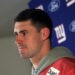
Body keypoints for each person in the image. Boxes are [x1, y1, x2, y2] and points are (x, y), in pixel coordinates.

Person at [14, 9, 75, 75]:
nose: (17, 41)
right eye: (16, 34)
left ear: (44, 34)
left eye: (24, 33)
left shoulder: (68, 68)